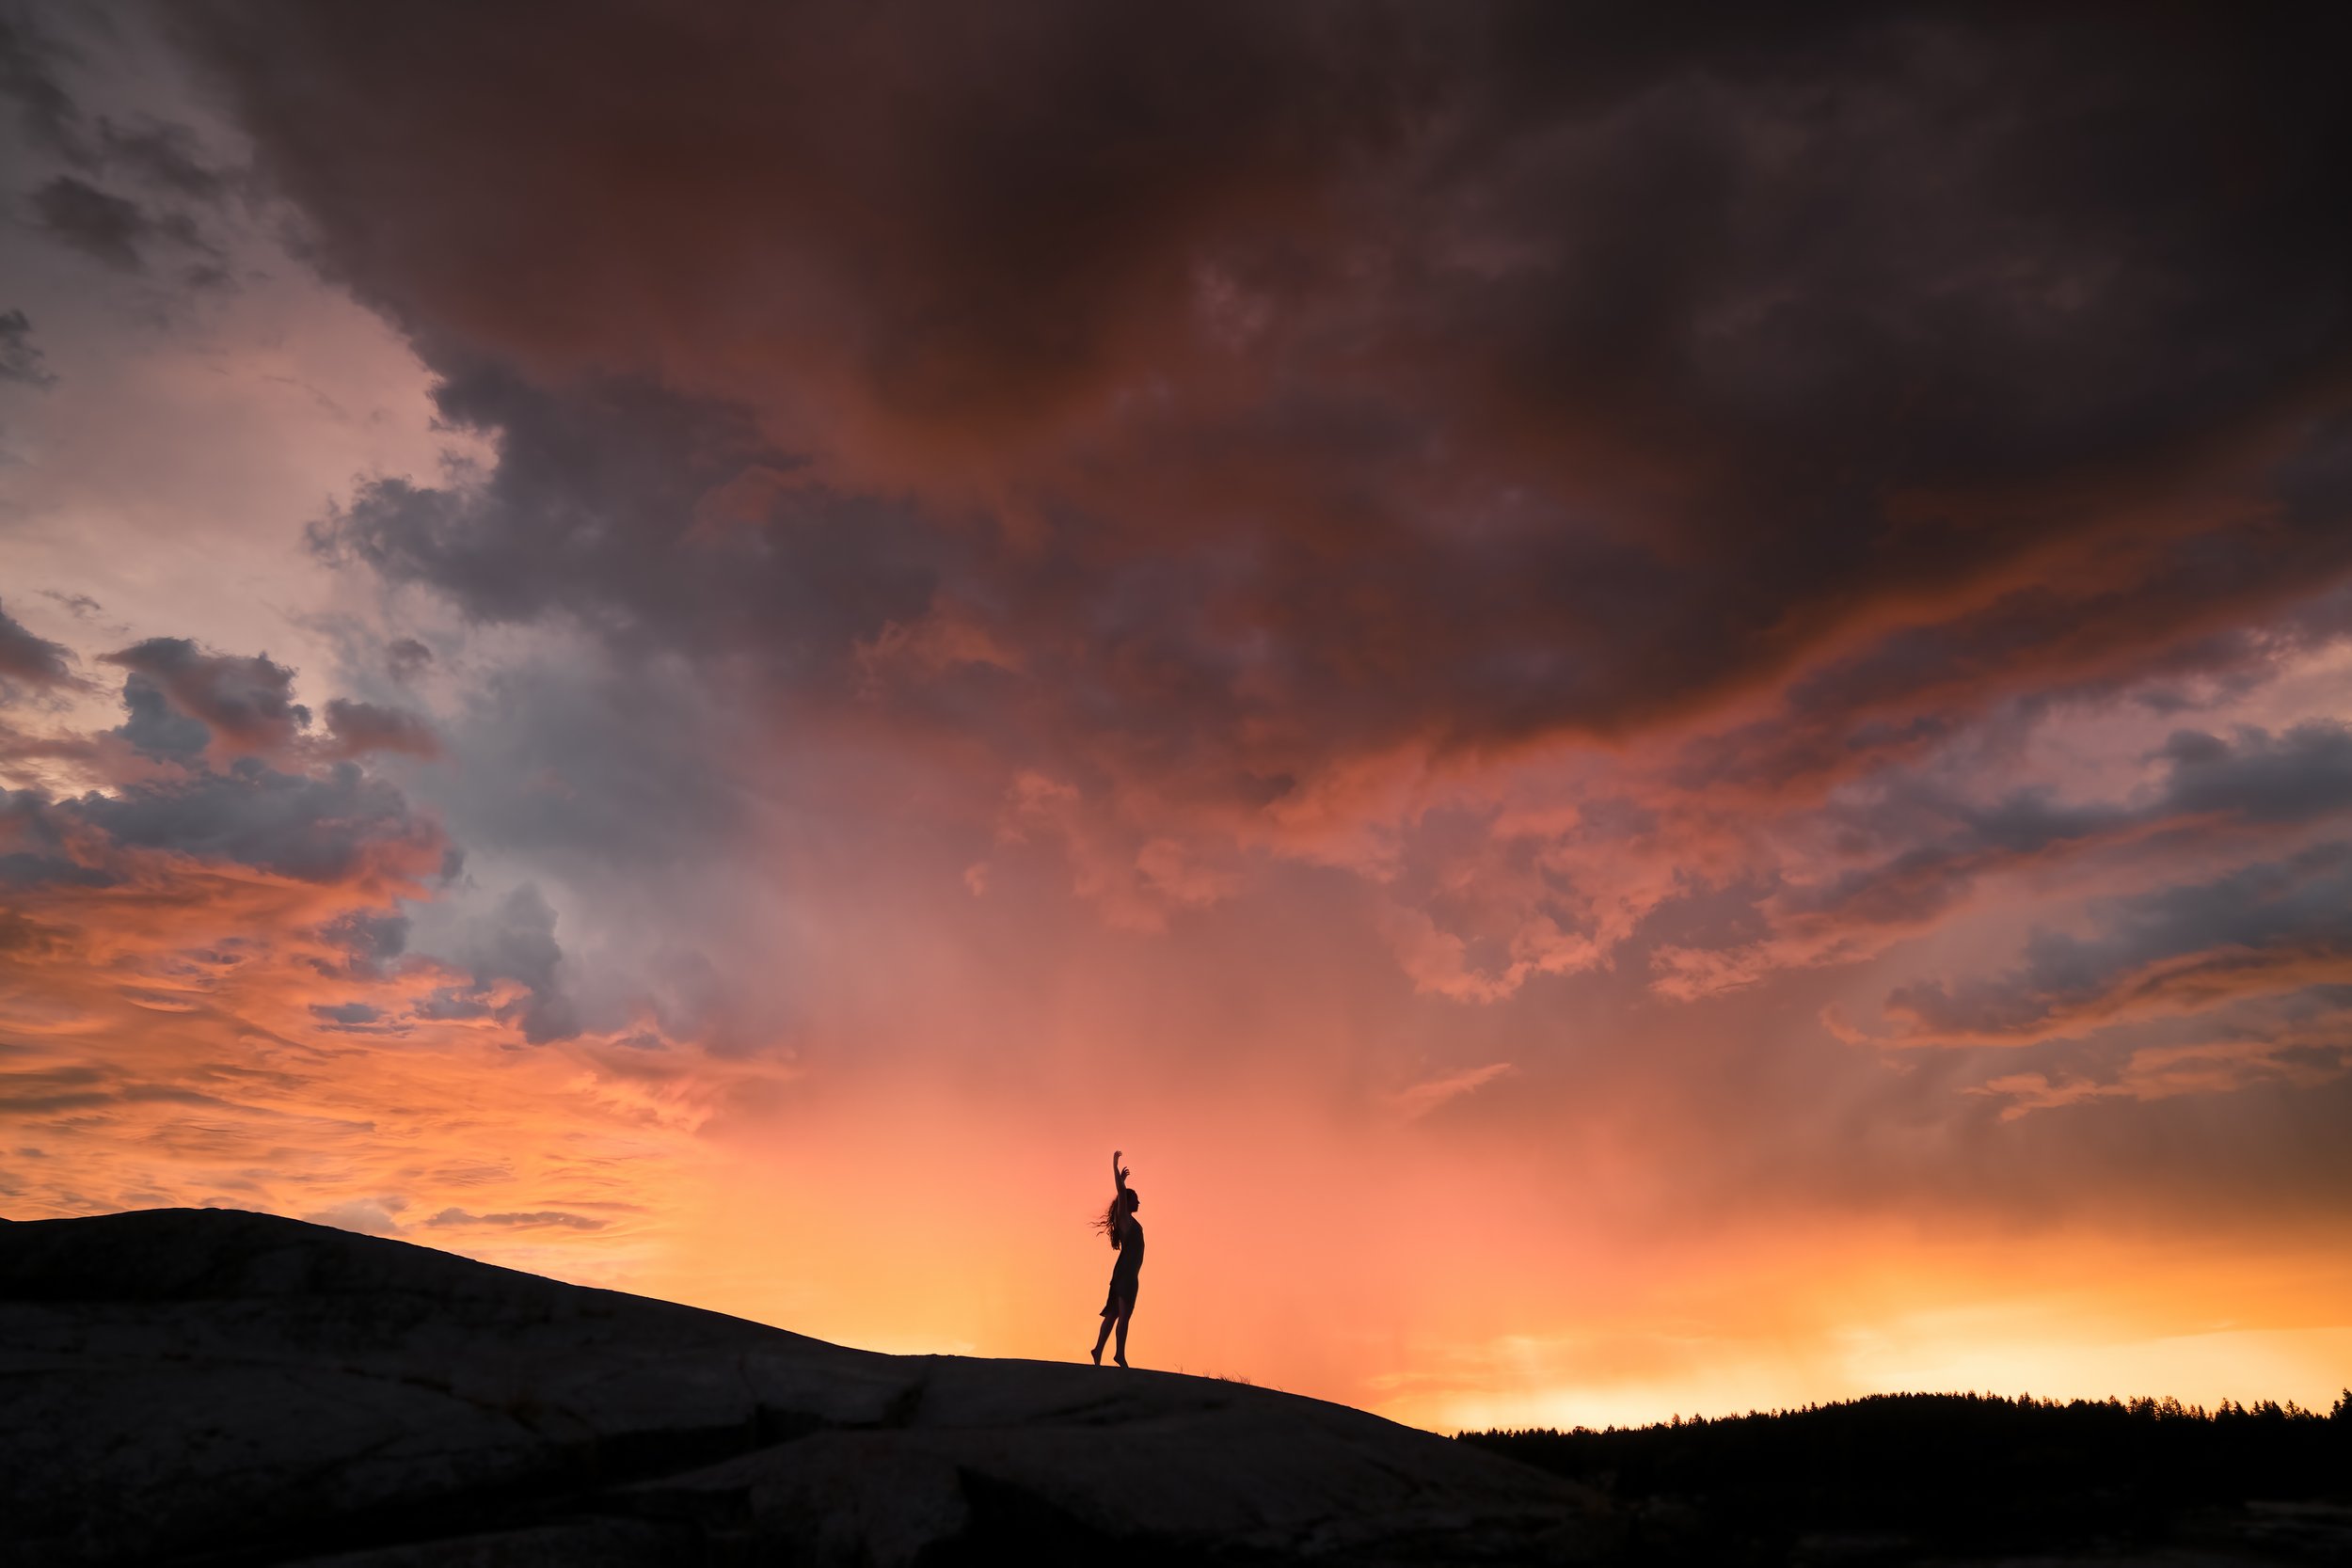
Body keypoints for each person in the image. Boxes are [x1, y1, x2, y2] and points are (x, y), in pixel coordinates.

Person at [1089, 1148, 1143, 1367]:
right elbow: (1122, 1194)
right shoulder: (1125, 1220)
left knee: (1112, 1315)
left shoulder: (1128, 1221)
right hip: (1127, 1275)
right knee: (1124, 1315)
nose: (1139, 1203)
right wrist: (1115, 1169)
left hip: (1122, 1273)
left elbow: (1123, 1195)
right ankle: (1119, 1354)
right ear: (1128, 1203)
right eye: (1136, 1199)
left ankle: (1098, 1349)